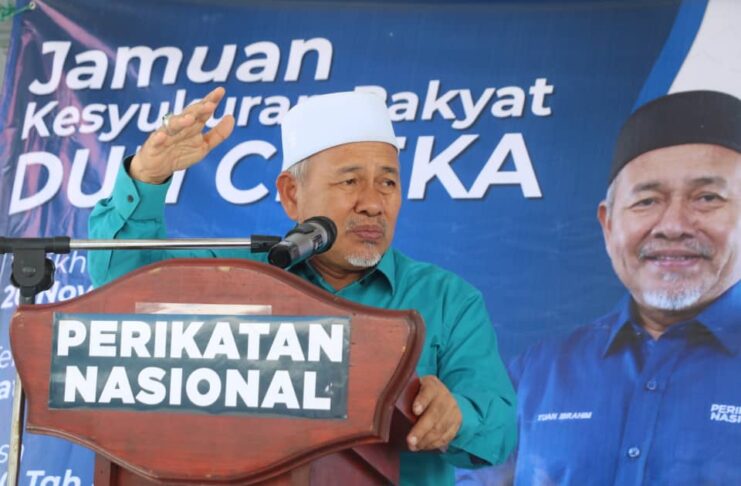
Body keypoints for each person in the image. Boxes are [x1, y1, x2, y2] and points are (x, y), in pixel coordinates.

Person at [88, 89, 517, 485]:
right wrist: (146, 179)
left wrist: (455, 417)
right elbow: (126, 287)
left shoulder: (447, 300)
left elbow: (500, 431)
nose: (373, 203)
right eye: (350, 181)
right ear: (292, 194)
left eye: (387, 182)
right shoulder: (237, 278)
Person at [505, 90, 741, 484]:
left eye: (706, 198)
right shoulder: (537, 373)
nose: (672, 226)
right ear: (609, 225)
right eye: (646, 201)